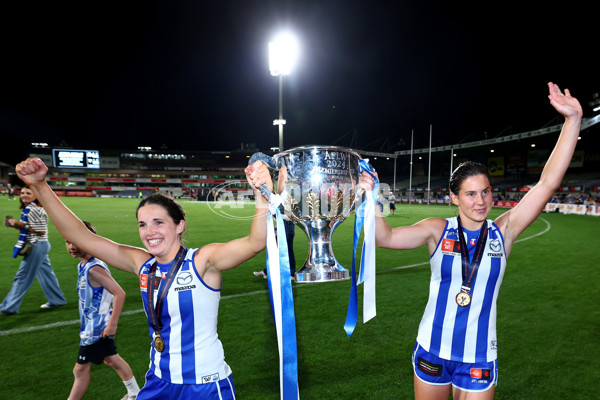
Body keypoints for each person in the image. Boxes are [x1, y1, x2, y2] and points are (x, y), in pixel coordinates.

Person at [359, 82, 582, 400]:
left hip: (478, 357)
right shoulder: (437, 229)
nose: (481, 201)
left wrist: (572, 121)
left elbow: (547, 183)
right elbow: (385, 237)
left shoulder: (504, 231)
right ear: (454, 197)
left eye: (486, 191)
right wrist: (373, 197)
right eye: (471, 193)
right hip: (432, 350)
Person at [15, 157, 272, 399]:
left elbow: (256, 242)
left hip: (204, 385)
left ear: (179, 225)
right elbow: (82, 237)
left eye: (158, 222)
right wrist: (39, 185)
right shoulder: (143, 264)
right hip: (158, 381)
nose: (150, 232)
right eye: (142, 224)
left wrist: (262, 193)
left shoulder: (203, 261)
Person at [66, 221, 140, 400]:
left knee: (80, 370)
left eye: (77, 241)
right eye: (68, 242)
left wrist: (112, 324)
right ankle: (135, 393)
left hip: (97, 329)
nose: (72, 246)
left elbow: (119, 293)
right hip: (92, 326)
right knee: (111, 359)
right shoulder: (83, 265)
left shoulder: (94, 268)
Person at [0, 186, 67, 315]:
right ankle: (57, 300)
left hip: (37, 246)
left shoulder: (35, 210)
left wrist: (19, 224)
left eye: (28, 193)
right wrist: (14, 225)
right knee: (46, 274)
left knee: (22, 277)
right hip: (39, 245)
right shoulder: (30, 209)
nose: (24, 195)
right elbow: (29, 229)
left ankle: (9, 307)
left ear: (36, 195)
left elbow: (40, 231)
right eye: (22, 193)